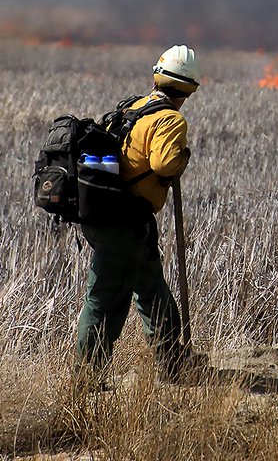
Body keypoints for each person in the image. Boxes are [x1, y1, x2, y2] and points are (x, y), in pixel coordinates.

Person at [75, 44, 202, 380]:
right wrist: (183, 157)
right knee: (106, 299)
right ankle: (86, 379)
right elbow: (164, 164)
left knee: (151, 287)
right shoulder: (169, 119)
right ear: (190, 89)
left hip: (110, 214)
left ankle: (175, 362)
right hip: (124, 222)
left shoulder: (134, 106)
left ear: (157, 77)